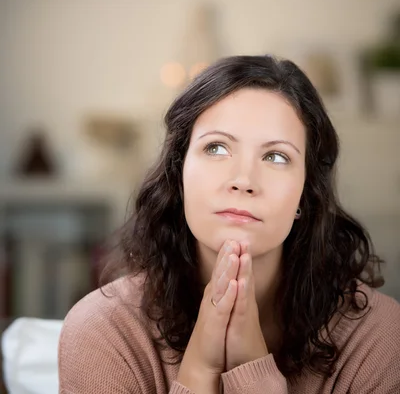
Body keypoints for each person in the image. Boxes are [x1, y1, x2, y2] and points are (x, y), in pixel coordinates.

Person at [58, 54, 400, 394]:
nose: (243, 180)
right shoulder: (103, 330)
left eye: (276, 156)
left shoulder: (380, 338)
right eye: (217, 148)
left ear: (305, 195)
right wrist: (198, 371)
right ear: (179, 175)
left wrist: (253, 369)